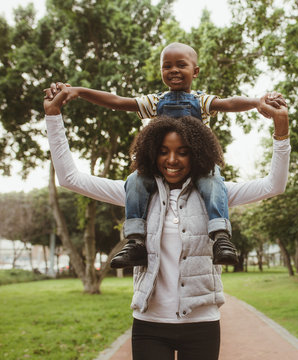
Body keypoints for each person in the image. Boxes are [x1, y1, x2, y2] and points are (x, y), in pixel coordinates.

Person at [43, 83, 290, 360]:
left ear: (197, 153)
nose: (172, 160)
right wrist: (53, 117)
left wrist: (281, 129)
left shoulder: (216, 195)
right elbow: (69, 179)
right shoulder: (136, 192)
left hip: (202, 325)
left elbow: (274, 185)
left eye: (182, 151)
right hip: (149, 325)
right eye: (163, 151)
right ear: (151, 151)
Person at [46, 42, 284, 268]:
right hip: (150, 173)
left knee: (214, 182)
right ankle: (136, 241)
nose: (174, 70)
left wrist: (256, 102)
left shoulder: (201, 102)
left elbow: (230, 103)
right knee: (135, 181)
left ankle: (220, 236)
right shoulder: (155, 102)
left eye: (181, 65)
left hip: (202, 167)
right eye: (167, 66)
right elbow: (117, 101)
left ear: (196, 71)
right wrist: (78, 91)